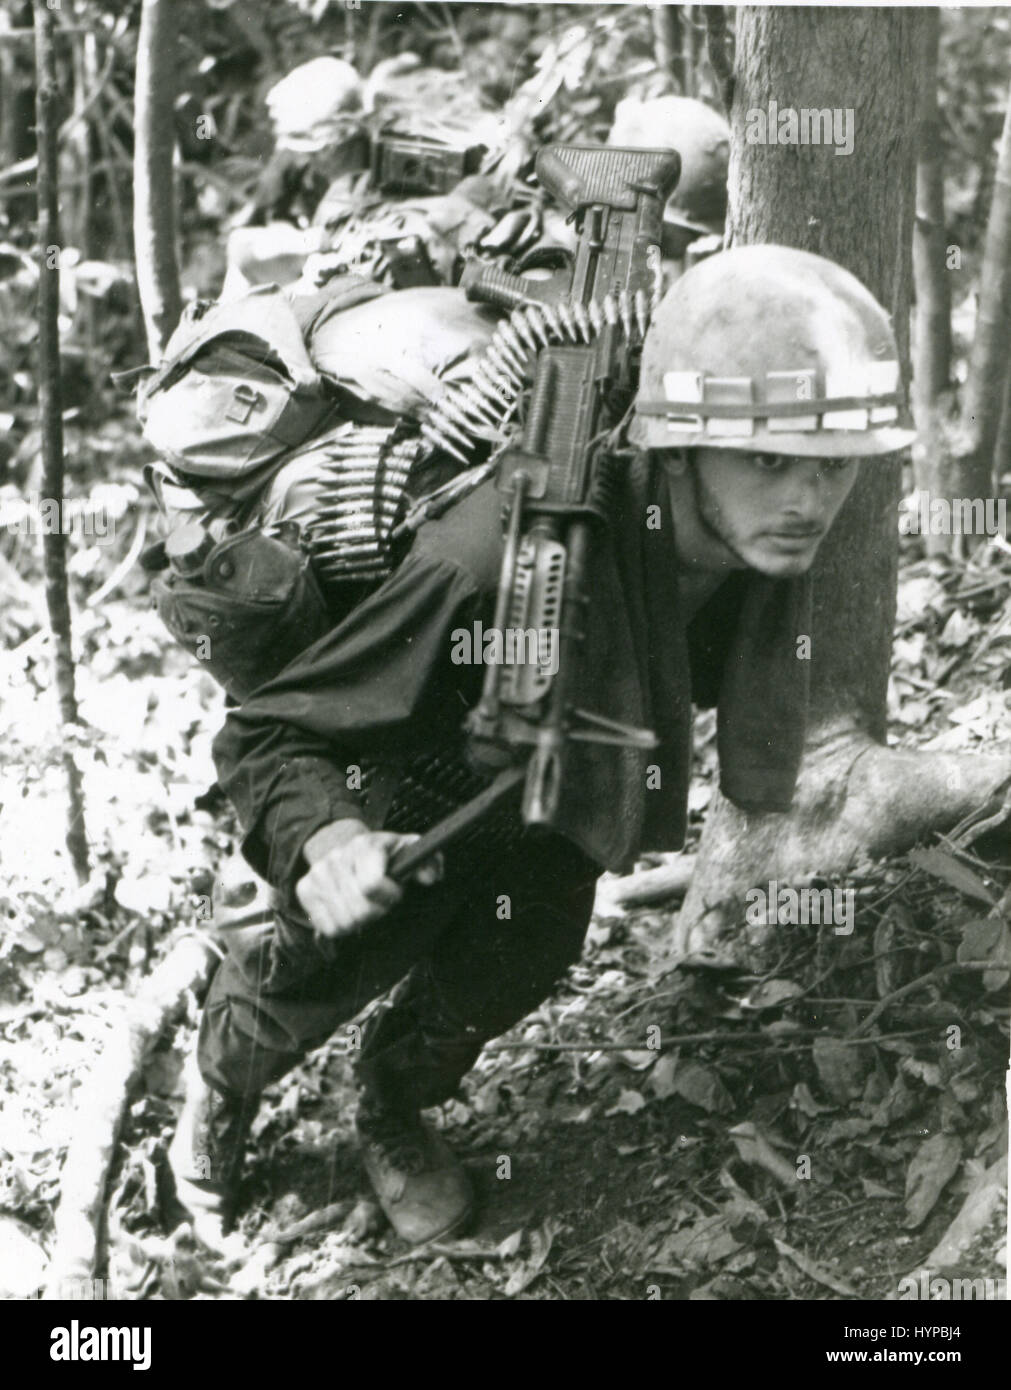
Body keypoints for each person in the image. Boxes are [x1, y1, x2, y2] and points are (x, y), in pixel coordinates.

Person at [168, 243, 914, 1247]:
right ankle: (215, 1102)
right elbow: (272, 730)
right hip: (404, 780)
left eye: (831, 466)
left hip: (559, 786)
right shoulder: (492, 551)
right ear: (679, 444)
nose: (809, 501)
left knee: (520, 953)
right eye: (770, 459)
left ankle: (390, 1100)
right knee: (307, 975)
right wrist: (328, 840)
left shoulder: (755, 540)